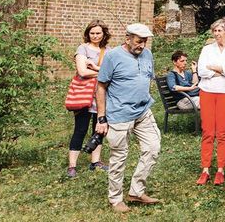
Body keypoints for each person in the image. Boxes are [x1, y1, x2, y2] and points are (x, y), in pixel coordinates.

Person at [94, 23, 160, 213]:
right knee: (119, 157)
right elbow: (101, 87)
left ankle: (136, 191)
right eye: (139, 41)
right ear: (127, 38)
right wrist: (101, 118)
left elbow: (146, 77)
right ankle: (115, 199)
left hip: (143, 111)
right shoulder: (113, 56)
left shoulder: (147, 54)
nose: (142, 45)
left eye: (145, 42)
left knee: (153, 147)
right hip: (119, 115)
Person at [196, 18, 225, 186]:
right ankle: (205, 169)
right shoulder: (207, 49)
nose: (216, 34)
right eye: (214, 31)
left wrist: (218, 68)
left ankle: (220, 169)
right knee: (207, 131)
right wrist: (219, 71)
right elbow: (201, 70)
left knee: (223, 132)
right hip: (207, 92)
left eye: (219, 31)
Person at [68, 20, 109, 178]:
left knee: (98, 130)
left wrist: (96, 67)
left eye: (98, 33)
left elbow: (112, 72)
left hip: (102, 95)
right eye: (92, 33)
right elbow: (82, 72)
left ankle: (96, 162)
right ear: (88, 34)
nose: (95, 36)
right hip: (84, 95)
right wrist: (102, 72)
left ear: (104, 34)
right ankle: (72, 165)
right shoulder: (82, 48)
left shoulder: (108, 51)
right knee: (80, 129)